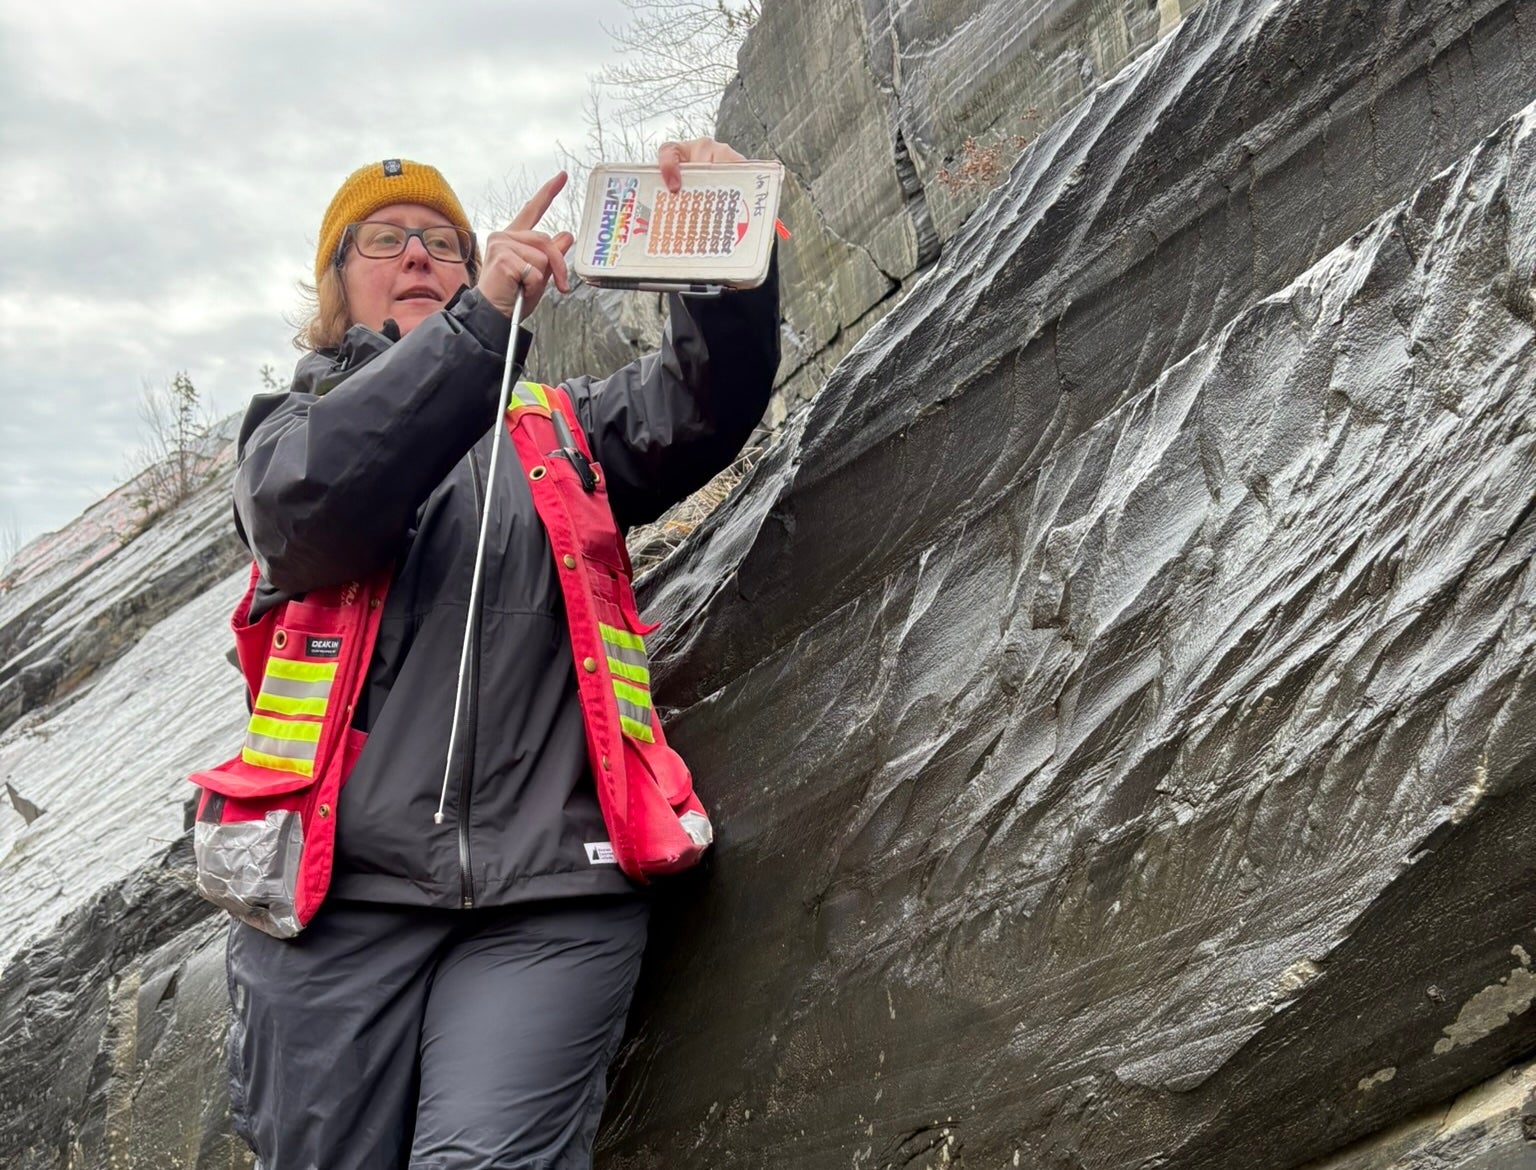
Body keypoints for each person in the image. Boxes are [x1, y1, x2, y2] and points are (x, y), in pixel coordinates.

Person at [221, 140, 779, 1169]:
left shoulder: (561, 429)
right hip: (334, 907)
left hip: (552, 895)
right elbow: (318, 512)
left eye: (443, 241)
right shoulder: (287, 433)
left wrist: (715, 250)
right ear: (335, 289)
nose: (419, 258)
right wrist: (478, 328)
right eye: (384, 242)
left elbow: (706, 404)